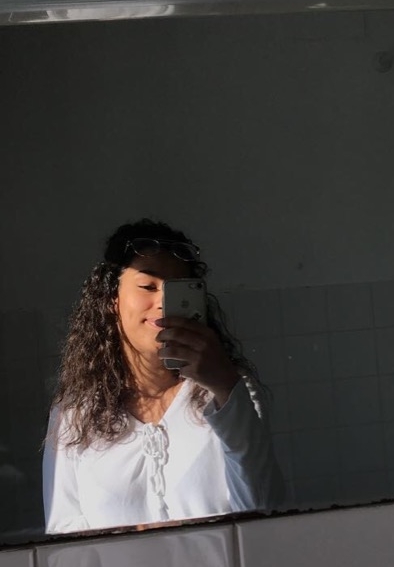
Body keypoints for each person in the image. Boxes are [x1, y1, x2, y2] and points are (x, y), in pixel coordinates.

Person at [43, 219, 284, 534]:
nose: (162, 303)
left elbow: (264, 513)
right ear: (112, 301)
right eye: (148, 286)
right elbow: (62, 532)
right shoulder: (75, 414)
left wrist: (225, 385)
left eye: (178, 289)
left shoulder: (227, 394)